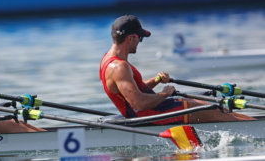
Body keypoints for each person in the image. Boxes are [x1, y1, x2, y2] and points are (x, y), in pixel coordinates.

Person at [99, 15, 255, 124]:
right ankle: (257, 128)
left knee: (208, 103)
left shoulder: (107, 60)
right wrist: (165, 93)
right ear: (130, 38)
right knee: (216, 110)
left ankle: (253, 123)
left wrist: (155, 80)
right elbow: (139, 103)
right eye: (139, 38)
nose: (139, 42)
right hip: (149, 115)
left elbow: (133, 90)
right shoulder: (119, 67)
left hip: (152, 109)